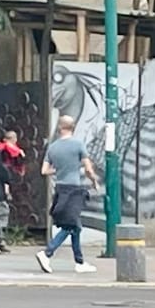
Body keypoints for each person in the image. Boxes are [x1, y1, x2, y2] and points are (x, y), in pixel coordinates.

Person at [37, 114, 98, 274]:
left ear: (59, 127)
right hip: (73, 190)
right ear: (73, 127)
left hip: (60, 189)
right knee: (70, 226)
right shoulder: (78, 145)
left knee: (75, 227)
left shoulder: (53, 147)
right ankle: (47, 253)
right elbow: (88, 168)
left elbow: (44, 171)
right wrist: (94, 181)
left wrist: (59, 169)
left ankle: (79, 262)